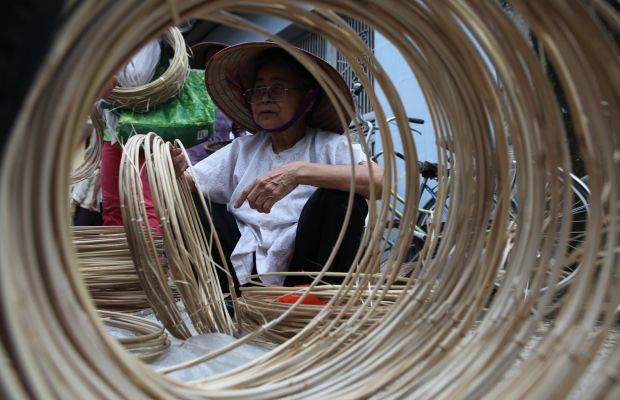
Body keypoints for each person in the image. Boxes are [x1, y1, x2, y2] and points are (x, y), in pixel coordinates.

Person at [171, 42, 383, 292]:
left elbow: (378, 183)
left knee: (343, 199)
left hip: (304, 270)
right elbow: (190, 183)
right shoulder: (242, 149)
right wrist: (174, 172)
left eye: (278, 88)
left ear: (309, 99)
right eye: (258, 89)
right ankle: (223, 301)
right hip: (240, 270)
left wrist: (298, 172)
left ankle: (317, 299)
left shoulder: (329, 145)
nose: (265, 97)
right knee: (190, 205)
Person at [185, 42, 249, 165]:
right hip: (190, 162)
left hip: (219, 163)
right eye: (210, 59)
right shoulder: (190, 91)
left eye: (220, 59)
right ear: (205, 63)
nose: (214, 63)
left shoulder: (233, 97)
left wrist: (241, 154)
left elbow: (240, 130)